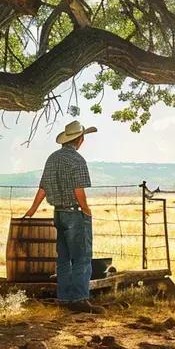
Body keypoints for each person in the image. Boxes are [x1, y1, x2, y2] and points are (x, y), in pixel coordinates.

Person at [23, 120, 104, 314]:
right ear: (80, 139)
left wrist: (32, 210)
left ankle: (64, 297)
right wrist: (86, 209)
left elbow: (43, 187)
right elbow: (78, 190)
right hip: (75, 213)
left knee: (63, 258)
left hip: (58, 212)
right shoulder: (77, 160)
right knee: (82, 257)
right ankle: (79, 299)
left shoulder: (52, 158)